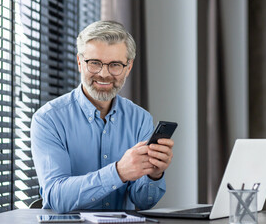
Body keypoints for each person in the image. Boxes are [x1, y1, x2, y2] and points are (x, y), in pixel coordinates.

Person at [31, 21, 174, 213]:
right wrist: (118, 172)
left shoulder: (140, 119)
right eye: (95, 63)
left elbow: (143, 201)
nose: (104, 74)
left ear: (128, 67)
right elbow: (56, 196)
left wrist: (154, 175)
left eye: (115, 65)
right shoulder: (48, 119)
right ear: (80, 62)